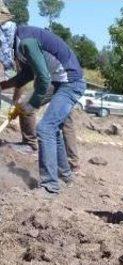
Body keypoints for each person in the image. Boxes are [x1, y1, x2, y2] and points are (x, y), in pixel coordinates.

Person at [0, 24, 86, 196]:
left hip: (70, 82)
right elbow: (27, 75)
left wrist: (33, 103)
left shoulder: (26, 42)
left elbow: (44, 78)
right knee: (50, 127)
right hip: (59, 81)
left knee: (45, 127)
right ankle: (64, 174)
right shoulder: (20, 42)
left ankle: (50, 186)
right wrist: (2, 86)